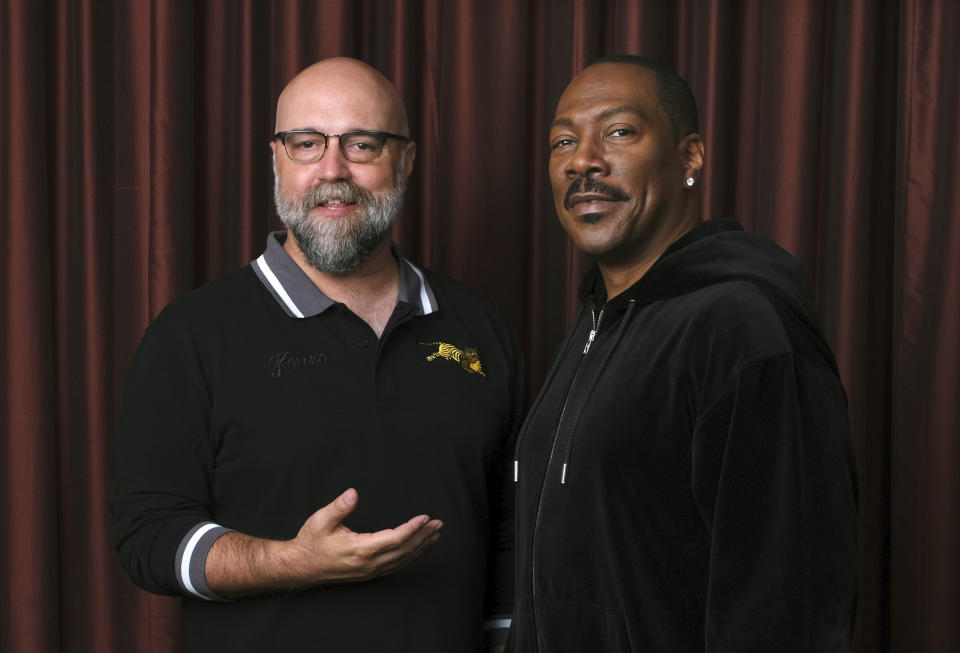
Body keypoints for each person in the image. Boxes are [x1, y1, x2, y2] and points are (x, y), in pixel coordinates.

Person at [110, 57, 521, 652]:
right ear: (276, 158)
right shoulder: (191, 336)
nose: (333, 170)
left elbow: (509, 527)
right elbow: (146, 539)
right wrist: (290, 563)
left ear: (405, 160)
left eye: (362, 144)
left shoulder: (482, 327)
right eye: (306, 144)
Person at [506, 55, 857, 651]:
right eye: (563, 141)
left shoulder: (742, 326)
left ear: (690, 155)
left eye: (618, 132)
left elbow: (785, 599)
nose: (582, 161)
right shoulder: (597, 321)